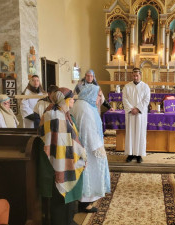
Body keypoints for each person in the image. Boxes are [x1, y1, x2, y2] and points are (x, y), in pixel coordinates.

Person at [38, 87, 87, 225]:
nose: (73, 100)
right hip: (58, 161)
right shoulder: (55, 115)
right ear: (64, 100)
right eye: (71, 98)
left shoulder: (59, 111)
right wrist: (80, 155)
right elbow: (61, 142)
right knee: (60, 198)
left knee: (67, 200)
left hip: (64, 157)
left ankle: (68, 220)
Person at [71, 69, 111, 213]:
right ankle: (85, 203)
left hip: (81, 147)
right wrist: (98, 148)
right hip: (89, 149)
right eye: (98, 96)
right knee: (90, 175)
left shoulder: (81, 104)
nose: (99, 99)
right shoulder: (86, 109)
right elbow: (88, 131)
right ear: (91, 94)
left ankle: (83, 201)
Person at [122, 67, 150, 163]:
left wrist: (138, 109)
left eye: (137, 75)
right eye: (134, 75)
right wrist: (131, 109)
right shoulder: (127, 87)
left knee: (140, 133)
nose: (135, 77)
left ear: (140, 75)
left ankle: (139, 155)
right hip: (130, 114)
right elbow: (124, 99)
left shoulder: (145, 87)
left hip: (140, 115)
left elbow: (146, 100)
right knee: (130, 133)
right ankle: (130, 154)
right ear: (132, 75)